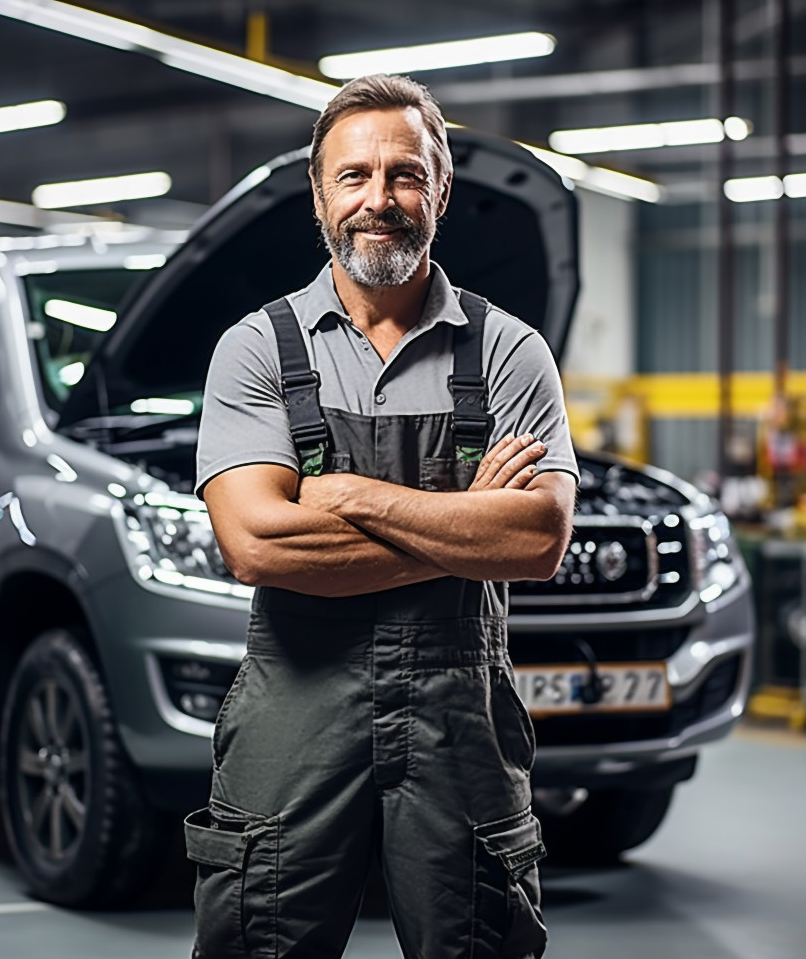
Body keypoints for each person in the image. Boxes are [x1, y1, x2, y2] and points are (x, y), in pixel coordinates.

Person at [187, 73, 578, 959]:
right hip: (295, 704)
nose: (379, 199)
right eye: (354, 176)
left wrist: (353, 497)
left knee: (478, 941)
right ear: (319, 195)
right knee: (261, 939)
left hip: (460, 715)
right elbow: (257, 544)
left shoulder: (509, 351)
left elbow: (536, 539)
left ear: (440, 189)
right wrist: (467, 527)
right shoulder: (257, 348)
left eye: (405, 174)